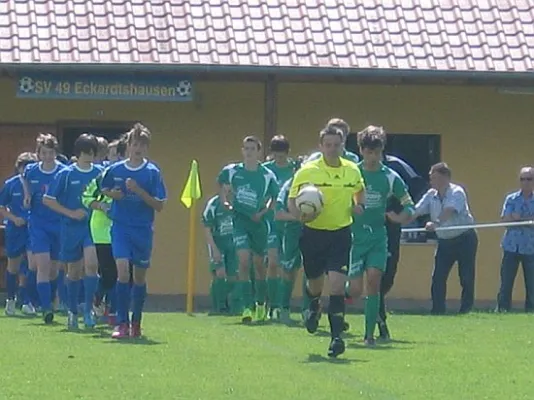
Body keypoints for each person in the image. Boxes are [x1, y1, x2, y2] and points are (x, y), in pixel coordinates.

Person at [288, 125, 365, 358]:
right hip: (312, 234)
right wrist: (301, 215)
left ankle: (336, 339)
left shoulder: (352, 170)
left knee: (337, 286)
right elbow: (292, 201)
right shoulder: (307, 171)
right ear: (321, 146)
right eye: (328, 145)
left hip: (340, 233)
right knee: (315, 284)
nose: (332, 149)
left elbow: (359, 190)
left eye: (337, 145)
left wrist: (358, 205)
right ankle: (313, 305)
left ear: (343, 146)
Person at [345, 126, 415, 346]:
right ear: (361, 150)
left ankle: (369, 335)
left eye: (377, 152)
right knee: (355, 290)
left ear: (382, 151)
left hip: (378, 237)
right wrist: (350, 208)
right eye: (368, 152)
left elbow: (409, 205)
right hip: (355, 238)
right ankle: (345, 291)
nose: (373, 157)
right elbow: (338, 200)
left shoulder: (390, 177)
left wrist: (400, 217)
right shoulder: (352, 173)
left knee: (374, 281)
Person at [101, 123, 167, 339]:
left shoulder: (152, 172)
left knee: (138, 278)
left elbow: (159, 205)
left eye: (142, 145)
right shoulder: (116, 169)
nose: (138, 148)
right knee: (122, 271)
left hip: (142, 230)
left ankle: (136, 321)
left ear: (147, 148)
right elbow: (102, 189)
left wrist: (138, 191)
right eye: (134, 144)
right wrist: (113, 195)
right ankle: (121, 323)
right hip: (121, 227)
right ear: (128, 146)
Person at [43, 134, 103, 329]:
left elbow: (108, 194)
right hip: (70, 228)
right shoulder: (66, 174)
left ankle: (88, 310)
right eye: (85, 152)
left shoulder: (101, 173)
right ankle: (72, 311)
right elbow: (48, 199)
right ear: (77, 153)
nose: (89, 156)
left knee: (92, 265)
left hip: (92, 227)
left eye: (92, 152)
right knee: (74, 272)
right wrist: (70, 213)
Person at [217, 136, 279, 323]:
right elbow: (224, 189)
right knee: (243, 261)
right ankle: (247, 307)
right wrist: (226, 202)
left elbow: (273, 198)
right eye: (246, 148)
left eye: (252, 148)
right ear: (242, 150)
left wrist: (262, 212)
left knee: (259, 266)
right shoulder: (232, 171)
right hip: (240, 221)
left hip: (258, 223)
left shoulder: (267, 175)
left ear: (259, 151)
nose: (249, 151)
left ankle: (261, 303)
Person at [411, 162, 478, 315]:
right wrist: (399, 221)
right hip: (444, 242)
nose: (431, 182)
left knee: (466, 276)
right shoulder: (431, 194)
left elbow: (449, 210)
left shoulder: (457, 192)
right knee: (438, 277)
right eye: (431, 178)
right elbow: (416, 211)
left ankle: (466, 309)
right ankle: (437, 310)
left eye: (434, 178)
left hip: (464, 238)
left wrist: (436, 223)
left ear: (446, 178)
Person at [378, 154, 426, 339]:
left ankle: (376, 306)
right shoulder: (358, 168)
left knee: (388, 275)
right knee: (374, 274)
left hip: (391, 227)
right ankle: (379, 319)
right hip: (366, 228)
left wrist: (400, 215)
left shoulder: (396, 166)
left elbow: (417, 186)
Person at [22, 133, 65, 324]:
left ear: (56, 153)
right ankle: (46, 308)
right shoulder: (32, 171)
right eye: (44, 153)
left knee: (55, 269)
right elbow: (23, 179)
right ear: (38, 153)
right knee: (43, 265)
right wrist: (27, 196)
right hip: (38, 224)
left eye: (51, 152)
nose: (48, 156)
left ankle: (50, 297)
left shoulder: (63, 171)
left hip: (58, 224)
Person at [262, 135, 300, 319]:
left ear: (287, 153)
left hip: (290, 224)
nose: (279, 158)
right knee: (273, 262)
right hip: (271, 222)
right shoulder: (266, 170)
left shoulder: (295, 169)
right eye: (276, 154)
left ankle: (284, 303)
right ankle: (273, 304)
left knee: (289, 266)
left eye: (282, 154)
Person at [1, 151, 38, 315]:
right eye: (24, 167)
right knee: (13, 265)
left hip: (33, 228)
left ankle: (26, 300)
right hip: (15, 229)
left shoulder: (36, 184)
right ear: (19, 167)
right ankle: (10, 299)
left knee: (32, 264)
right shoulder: (11, 184)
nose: (27, 171)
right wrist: (14, 218)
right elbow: (2, 206)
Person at [496, 167, 534, 312]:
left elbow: (516, 219)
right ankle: (503, 309)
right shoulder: (511, 199)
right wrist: (527, 220)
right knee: (506, 282)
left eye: (529, 179)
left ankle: (531, 311)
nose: (525, 182)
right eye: (522, 179)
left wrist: (519, 219)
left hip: (531, 247)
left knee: (531, 283)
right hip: (511, 246)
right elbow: (505, 220)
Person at [275, 175, 304, 323]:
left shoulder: (320, 181)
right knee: (289, 270)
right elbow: (278, 213)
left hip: (316, 230)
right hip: (292, 232)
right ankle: (283, 308)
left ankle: (308, 310)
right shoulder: (289, 185)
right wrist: (299, 218)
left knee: (312, 270)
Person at [202, 193, 237, 314]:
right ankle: (218, 306)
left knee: (233, 275)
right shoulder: (213, 204)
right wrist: (214, 248)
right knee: (220, 273)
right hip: (218, 243)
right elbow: (207, 228)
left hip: (233, 244)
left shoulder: (237, 203)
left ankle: (230, 305)